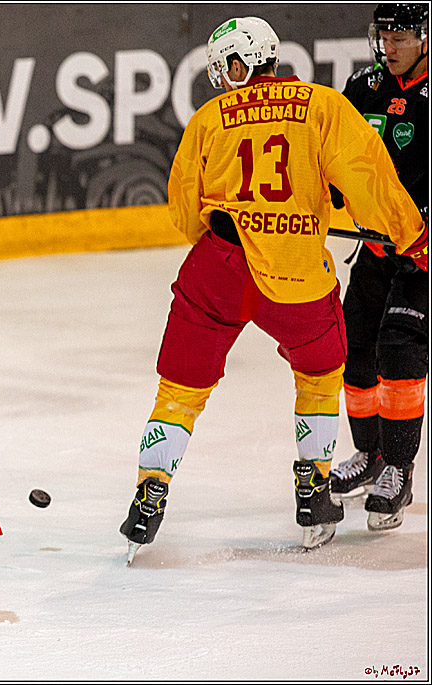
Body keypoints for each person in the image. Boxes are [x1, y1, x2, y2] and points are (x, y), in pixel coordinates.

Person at [119, 16, 427, 559]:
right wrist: (412, 235)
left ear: (241, 64)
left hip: (218, 265)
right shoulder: (323, 105)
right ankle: (313, 490)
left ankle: (151, 489)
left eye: (224, 66)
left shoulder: (211, 118)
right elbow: (367, 176)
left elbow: (182, 211)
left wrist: (222, 237)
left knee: (181, 388)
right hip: (294, 269)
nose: (220, 77)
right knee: (321, 372)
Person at [327, 4, 428, 532]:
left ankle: (400, 468)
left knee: (399, 348)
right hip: (377, 244)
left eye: (400, 35)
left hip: (424, 252)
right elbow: (333, 152)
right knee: (354, 347)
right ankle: (370, 456)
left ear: (426, 35)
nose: (388, 45)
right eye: (383, 34)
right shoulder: (361, 86)